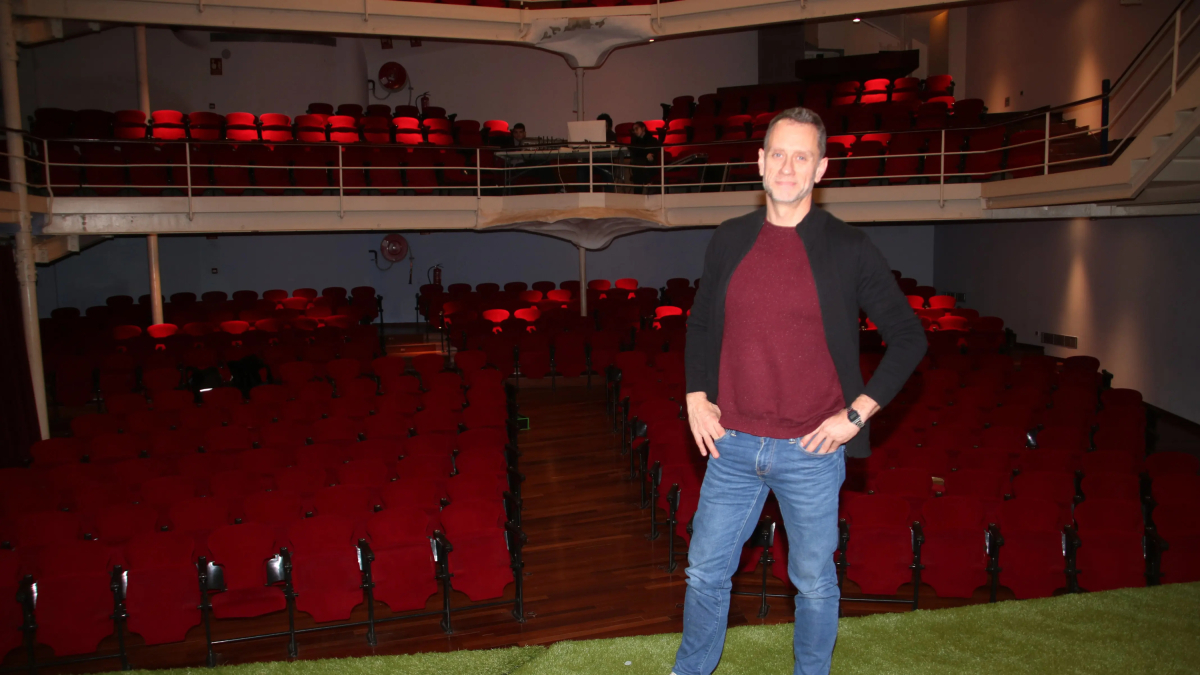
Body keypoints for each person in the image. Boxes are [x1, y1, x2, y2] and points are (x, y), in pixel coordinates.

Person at [671, 107, 926, 675]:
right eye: (778, 154)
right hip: (731, 446)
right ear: (759, 163)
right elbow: (701, 325)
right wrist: (694, 395)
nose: (788, 166)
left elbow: (909, 337)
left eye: (802, 156)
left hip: (811, 452)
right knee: (705, 573)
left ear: (821, 169)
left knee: (812, 583)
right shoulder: (729, 238)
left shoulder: (849, 247)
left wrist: (854, 416)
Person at [627, 121, 660, 191]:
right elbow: (635, 153)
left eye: (637, 129)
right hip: (639, 166)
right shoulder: (634, 141)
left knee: (640, 165)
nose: (635, 131)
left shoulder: (652, 140)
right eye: (634, 130)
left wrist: (648, 156)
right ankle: (647, 184)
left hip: (649, 166)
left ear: (643, 128)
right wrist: (646, 155)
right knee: (637, 164)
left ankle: (648, 185)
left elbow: (653, 153)